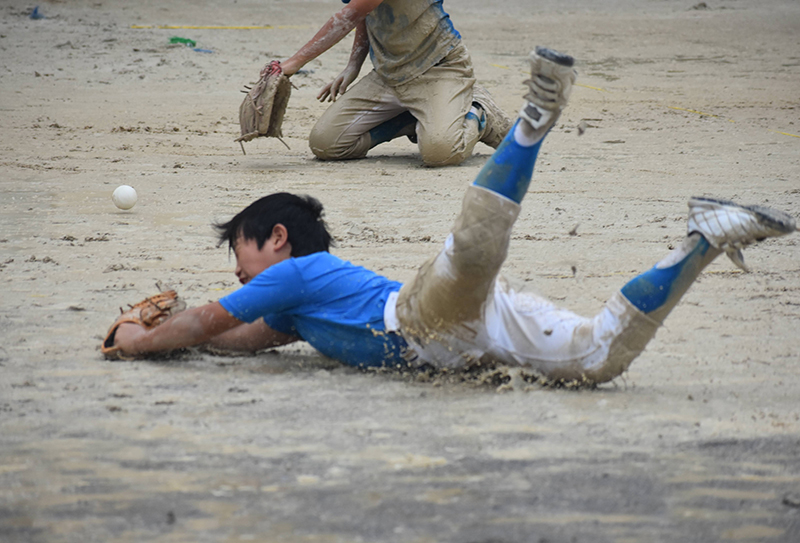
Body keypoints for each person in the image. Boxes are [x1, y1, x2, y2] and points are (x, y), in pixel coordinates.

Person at [108, 47, 797, 384]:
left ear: (278, 239)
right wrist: (177, 336)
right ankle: (703, 237)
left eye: (242, 254)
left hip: (421, 318)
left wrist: (135, 342)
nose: (236, 272)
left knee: (472, 253)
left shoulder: (297, 274)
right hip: (471, 339)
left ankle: (529, 123)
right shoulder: (289, 309)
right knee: (599, 355)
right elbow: (232, 336)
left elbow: (212, 318)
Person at [276, 0, 512, 167]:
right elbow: (365, 13)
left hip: (440, 69)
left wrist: (294, 62)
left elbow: (350, 15)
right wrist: (353, 65)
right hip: (390, 75)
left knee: (440, 153)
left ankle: (478, 112)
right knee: (326, 144)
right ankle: (412, 120)